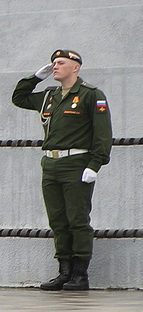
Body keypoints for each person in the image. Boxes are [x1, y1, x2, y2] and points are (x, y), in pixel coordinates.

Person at [12, 50, 112, 291]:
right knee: (58, 220)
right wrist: (36, 77)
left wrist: (95, 164)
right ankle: (64, 271)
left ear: (75, 67)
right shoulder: (49, 96)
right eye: (53, 63)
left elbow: (103, 133)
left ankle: (80, 274)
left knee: (77, 220)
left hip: (77, 164)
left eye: (60, 63)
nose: (54, 66)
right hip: (51, 164)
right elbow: (19, 97)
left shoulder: (91, 95)